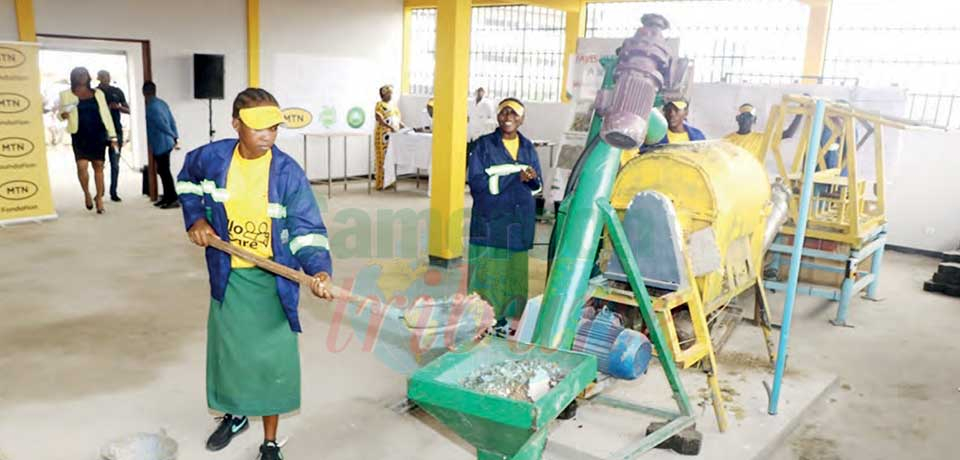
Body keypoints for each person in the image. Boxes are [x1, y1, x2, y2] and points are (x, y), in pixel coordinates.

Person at [176, 87, 334, 460]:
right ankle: (235, 416)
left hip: (272, 281)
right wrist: (196, 217)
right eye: (258, 128)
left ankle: (270, 441)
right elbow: (186, 183)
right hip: (229, 275)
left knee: (272, 363)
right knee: (231, 356)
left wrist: (319, 270)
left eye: (273, 128)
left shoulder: (287, 173)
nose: (268, 136)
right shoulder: (211, 159)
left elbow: (306, 229)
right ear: (235, 125)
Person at [467, 98, 543, 335]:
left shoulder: (528, 147)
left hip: (519, 220)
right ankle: (486, 320)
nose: (508, 117)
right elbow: (477, 183)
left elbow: (537, 186)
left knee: (513, 270)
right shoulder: (483, 145)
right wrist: (512, 178)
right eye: (504, 112)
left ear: (522, 118)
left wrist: (531, 179)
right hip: (491, 219)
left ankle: (512, 321)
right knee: (490, 269)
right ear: (497, 116)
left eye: (514, 113)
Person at [59, 67, 118, 214]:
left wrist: (113, 136)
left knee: (98, 166)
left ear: (88, 77)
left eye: (84, 74)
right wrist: (63, 115)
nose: (81, 77)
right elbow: (61, 114)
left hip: (98, 134)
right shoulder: (66, 94)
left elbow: (106, 115)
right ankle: (87, 193)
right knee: (82, 166)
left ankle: (99, 199)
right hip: (79, 135)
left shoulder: (98, 94)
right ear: (73, 77)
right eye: (78, 74)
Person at [143, 81, 181, 209]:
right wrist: (175, 136)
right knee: (163, 171)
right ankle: (167, 197)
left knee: (164, 172)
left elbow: (161, 124)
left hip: (160, 143)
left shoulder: (151, 107)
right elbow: (171, 120)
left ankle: (172, 198)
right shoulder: (162, 103)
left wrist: (171, 134)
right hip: (167, 142)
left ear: (144, 93)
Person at [724, 103, 802, 161]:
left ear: (754, 120)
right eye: (743, 116)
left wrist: (800, 113)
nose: (745, 119)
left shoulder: (761, 138)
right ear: (737, 119)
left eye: (749, 116)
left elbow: (788, 134)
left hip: (753, 179)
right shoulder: (727, 140)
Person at [97, 70, 130, 202]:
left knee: (115, 164)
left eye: (108, 76)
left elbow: (128, 110)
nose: (106, 79)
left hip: (116, 133)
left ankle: (113, 192)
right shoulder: (95, 93)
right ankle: (100, 191)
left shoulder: (117, 91)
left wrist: (118, 107)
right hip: (99, 133)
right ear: (98, 78)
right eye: (103, 77)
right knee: (99, 164)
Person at [373, 85, 404, 190]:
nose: (390, 95)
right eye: (388, 93)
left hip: (393, 135)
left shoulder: (394, 106)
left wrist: (406, 129)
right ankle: (380, 183)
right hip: (382, 135)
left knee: (391, 158)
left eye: (391, 93)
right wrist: (390, 127)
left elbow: (398, 121)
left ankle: (390, 182)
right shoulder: (380, 105)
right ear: (383, 94)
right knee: (382, 158)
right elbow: (379, 119)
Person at [467, 87, 497, 153]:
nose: (480, 93)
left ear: (484, 93)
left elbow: (492, 116)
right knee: (470, 149)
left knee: (479, 150)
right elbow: (468, 114)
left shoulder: (487, 103)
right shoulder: (471, 102)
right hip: (471, 130)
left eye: (481, 91)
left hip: (481, 131)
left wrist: (485, 123)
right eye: (478, 91)